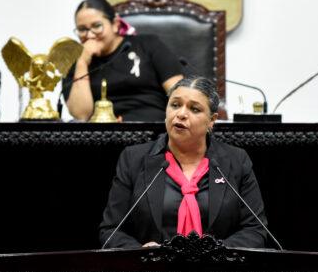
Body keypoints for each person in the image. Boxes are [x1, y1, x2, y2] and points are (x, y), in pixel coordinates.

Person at [99, 77, 269, 249]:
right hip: (153, 271)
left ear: (212, 120)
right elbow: (111, 231)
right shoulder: (133, 159)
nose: (181, 114)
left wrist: (216, 254)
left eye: (194, 109)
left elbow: (255, 230)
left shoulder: (236, 161)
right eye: (175, 105)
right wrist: (141, 253)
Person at [61, 0, 183, 122]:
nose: (89, 35)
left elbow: (180, 96)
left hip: (154, 129)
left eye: (97, 26)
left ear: (115, 24)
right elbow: (82, 115)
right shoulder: (73, 62)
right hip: (103, 134)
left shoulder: (148, 44)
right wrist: (82, 62)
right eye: (82, 29)